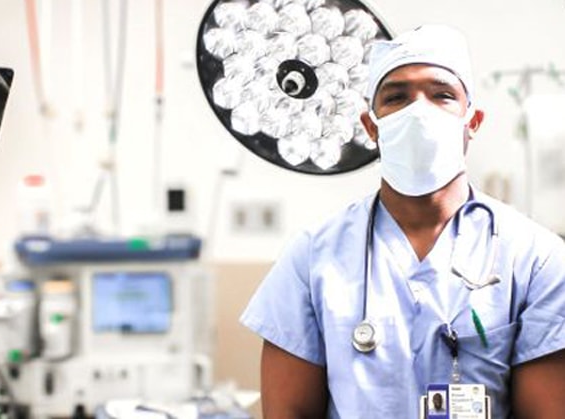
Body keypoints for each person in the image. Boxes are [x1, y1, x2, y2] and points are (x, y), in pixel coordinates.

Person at [240, 24, 565, 418]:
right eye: (397, 97)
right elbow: (287, 412)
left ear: (473, 121)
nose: (419, 112)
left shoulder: (535, 257)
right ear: (371, 126)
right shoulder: (313, 257)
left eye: (441, 95)